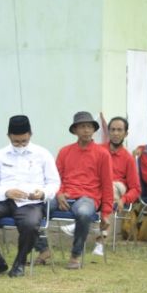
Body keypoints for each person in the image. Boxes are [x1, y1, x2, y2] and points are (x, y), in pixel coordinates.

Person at [0, 115, 61, 278]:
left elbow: (54, 183)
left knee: (31, 223)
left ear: (30, 135)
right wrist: (6, 192)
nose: (20, 145)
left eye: (24, 141)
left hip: (30, 202)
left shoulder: (42, 154)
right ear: (9, 137)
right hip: (3, 201)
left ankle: (19, 263)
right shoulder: (0, 155)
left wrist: (43, 193)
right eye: (16, 142)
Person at [51, 111, 114, 270]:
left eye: (89, 127)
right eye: (82, 127)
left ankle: (75, 255)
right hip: (65, 196)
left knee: (84, 213)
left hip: (88, 197)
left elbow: (107, 185)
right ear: (75, 130)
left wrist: (106, 213)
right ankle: (43, 250)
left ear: (94, 130)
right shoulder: (65, 151)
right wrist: (58, 193)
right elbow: (55, 178)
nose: (86, 130)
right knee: (35, 208)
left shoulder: (103, 154)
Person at [96, 115, 141, 245]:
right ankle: (97, 235)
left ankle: (102, 236)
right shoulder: (98, 150)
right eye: (113, 130)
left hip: (117, 187)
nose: (115, 133)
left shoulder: (128, 158)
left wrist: (124, 200)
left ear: (125, 133)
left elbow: (136, 188)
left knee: (110, 187)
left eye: (119, 130)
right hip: (98, 187)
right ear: (108, 132)